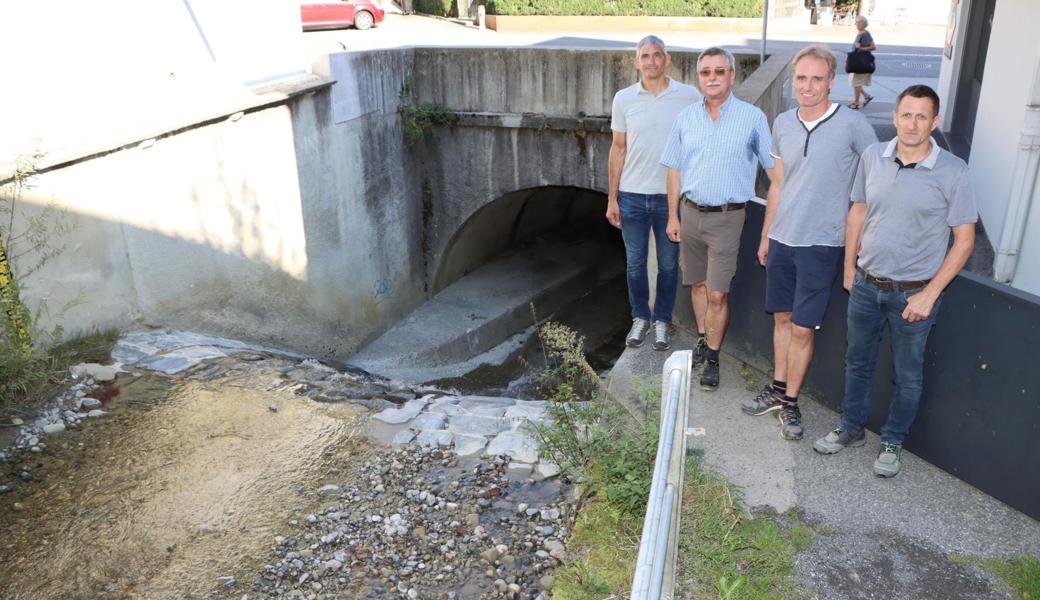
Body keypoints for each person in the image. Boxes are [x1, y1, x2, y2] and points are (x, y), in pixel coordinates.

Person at [813, 85, 977, 477]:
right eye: (906, 114)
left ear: (935, 122)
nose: (913, 123)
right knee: (857, 362)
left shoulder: (954, 172)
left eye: (922, 116)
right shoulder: (873, 156)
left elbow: (965, 240)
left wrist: (929, 295)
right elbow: (858, 211)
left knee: (907, 375)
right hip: (867, 286)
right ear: (894, 117)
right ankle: (850, 428)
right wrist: (850, 268)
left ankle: (892, 441)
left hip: (915, 295)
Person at [741, 45, 877, 440]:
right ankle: (778, 389)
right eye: (802, 78)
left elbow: (875, 182)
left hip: (823, 244)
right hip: (783, 238)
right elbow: (779, 184)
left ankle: (791, 403)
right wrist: (767, 235)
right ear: (793, 80)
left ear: (832, 82)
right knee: (782, 319)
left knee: (803, 329)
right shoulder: (782, 122)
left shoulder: (853, 125)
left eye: (817, 78)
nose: (809, 85)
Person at [661, 47, 776, 391]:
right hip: (690, 214)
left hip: (728, 218)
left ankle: (712, 356)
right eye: (705, 72)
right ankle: (701, 339)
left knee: (717, 295)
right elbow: (674, 171)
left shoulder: (752, 118)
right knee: (696, 285)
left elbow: (775, 173)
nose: (712, 78)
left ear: (732, 76)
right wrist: (673, 216)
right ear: (699, 78)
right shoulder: (685, 119)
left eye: (719, 72)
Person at [607, 36, 701, 351]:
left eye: (657, 55)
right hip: (632, 195)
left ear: (667, 59)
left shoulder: (688, 96)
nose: (651, 61)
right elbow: (618, 149)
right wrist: (612, 197)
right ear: (637, 62)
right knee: (634, 262)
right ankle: (640, 318)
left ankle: (662, 320)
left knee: (669, 264)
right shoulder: (623, 99)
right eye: (645, 56)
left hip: (670, 199)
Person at [849, 15, 876, 109]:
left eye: (857, 22)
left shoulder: (865, 34)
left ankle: (856, 103)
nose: (856, 24)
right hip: (857, 61)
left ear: (862, 23)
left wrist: (860, 48)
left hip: (861, 62)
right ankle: (867, 96)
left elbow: (873, 47)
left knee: (856, 83)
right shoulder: (860, 33)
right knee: (855, 82)